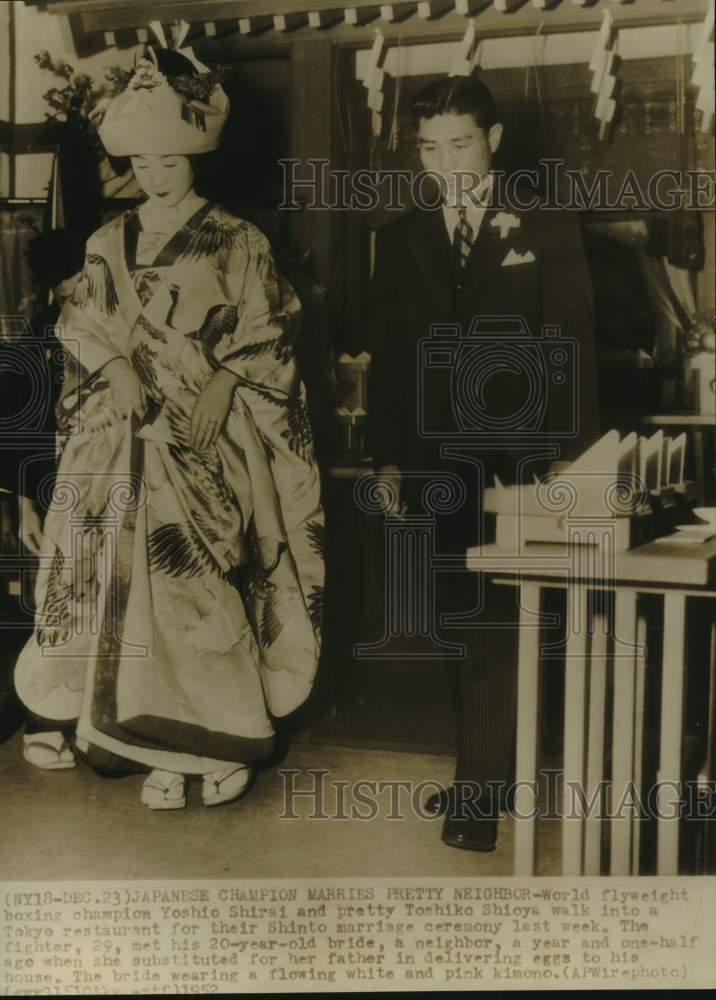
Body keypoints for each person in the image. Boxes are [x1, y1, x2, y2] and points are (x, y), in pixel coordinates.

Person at [13, 37, 324, 809]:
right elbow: (79, 323)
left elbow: (272, 328)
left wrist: (224, 377)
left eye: (170, 163)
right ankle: (114, 728)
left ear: (198, 161)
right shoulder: (102, 241)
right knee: (100, 580)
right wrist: (115, 367)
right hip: (115, 436)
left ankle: (213, 740)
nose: (154, 178)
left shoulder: (238, 239)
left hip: (202, 435)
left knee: (195, 588)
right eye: (141, 164)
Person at [368, 76, 598, 852]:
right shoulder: (401, 235)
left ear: (493, 140)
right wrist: (390, 462)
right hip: (436, 460)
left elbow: (572, 341)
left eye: (459, 143)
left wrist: (565, 458)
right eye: (429, 148)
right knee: (454, 615)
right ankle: (486, 770)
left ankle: (477, 795)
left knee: (497, 623)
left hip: (522, 458)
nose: (445, 162)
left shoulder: (548, 221)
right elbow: (394, 360)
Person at [0, 230, 85, 553]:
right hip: (59, 481)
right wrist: (25, 507)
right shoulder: (45, 329)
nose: (75, 307)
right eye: (64, 298)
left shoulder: (130, 330)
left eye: (80, 289)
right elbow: (20, 419)